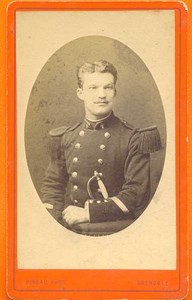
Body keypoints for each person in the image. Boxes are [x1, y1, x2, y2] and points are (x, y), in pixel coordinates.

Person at [41, 60, 161, 229]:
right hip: (72, 230)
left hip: (117, 230)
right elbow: (52, 186)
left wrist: (88, 213)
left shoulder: (132, 138)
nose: (102, 95)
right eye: (93, 88)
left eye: (108, 87)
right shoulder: (67, 137)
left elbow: (136, 195)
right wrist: (51, 223)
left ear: (115, 92)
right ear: (80, 93)